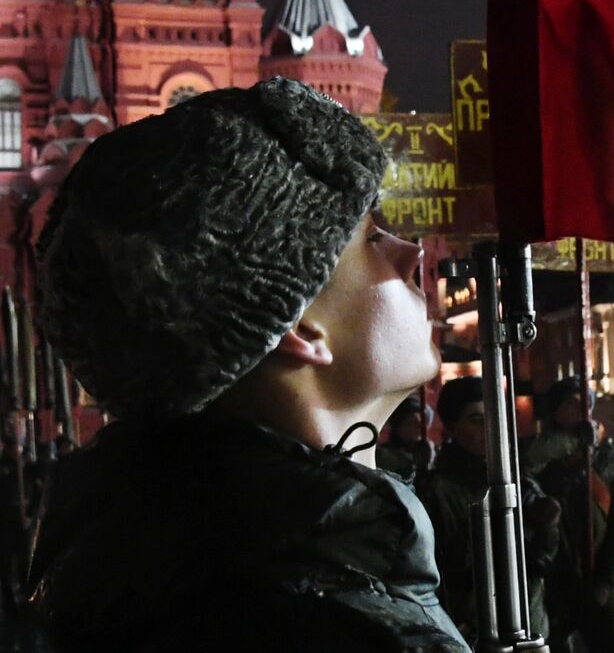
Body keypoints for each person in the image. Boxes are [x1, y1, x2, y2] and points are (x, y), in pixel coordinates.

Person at [26, 79, 468, 652]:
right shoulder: (329, 625)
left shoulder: (160, 566)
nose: (412, 254)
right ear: (296, 324)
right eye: (369, 239)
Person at [418, 375, 559, 643]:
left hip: (529, 623)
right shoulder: (437, 489)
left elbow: (545, 560)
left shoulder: (518, 478)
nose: (489, 427)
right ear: (451, 427)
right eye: (475, 419)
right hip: (473, 628)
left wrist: (547, 525)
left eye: (493, 416)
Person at [524, 376, 614, 653]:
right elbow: (527, 465)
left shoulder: (604, 459)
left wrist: (606, 579)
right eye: (570, 404)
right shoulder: (537, 455)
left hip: (595, 575)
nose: (578, 410)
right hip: (550, 580)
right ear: (554, 410)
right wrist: (573, 442)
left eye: (584, 404)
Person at [379, 393, 434, 481]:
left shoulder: (431, 451)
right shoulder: (384, 456)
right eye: (411, 422)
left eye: (422, 423)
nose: (419, 427)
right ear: (398, 427)